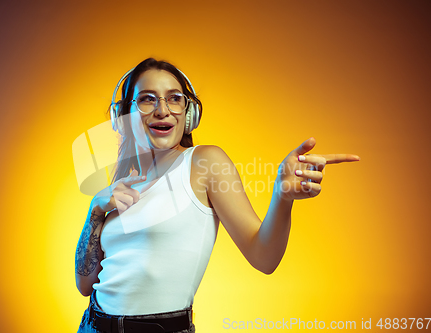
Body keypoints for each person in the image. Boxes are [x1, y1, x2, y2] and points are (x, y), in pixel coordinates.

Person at [75, 58, 360, 333]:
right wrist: (95, 211)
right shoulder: (124, 182)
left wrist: (281, 197)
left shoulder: (204, 162)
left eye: (174, 98)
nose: (162, 110)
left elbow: (264, 258)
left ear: (188, 114)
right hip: (93, 325)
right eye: (148, 99)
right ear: (124, 115)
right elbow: (85, 285)